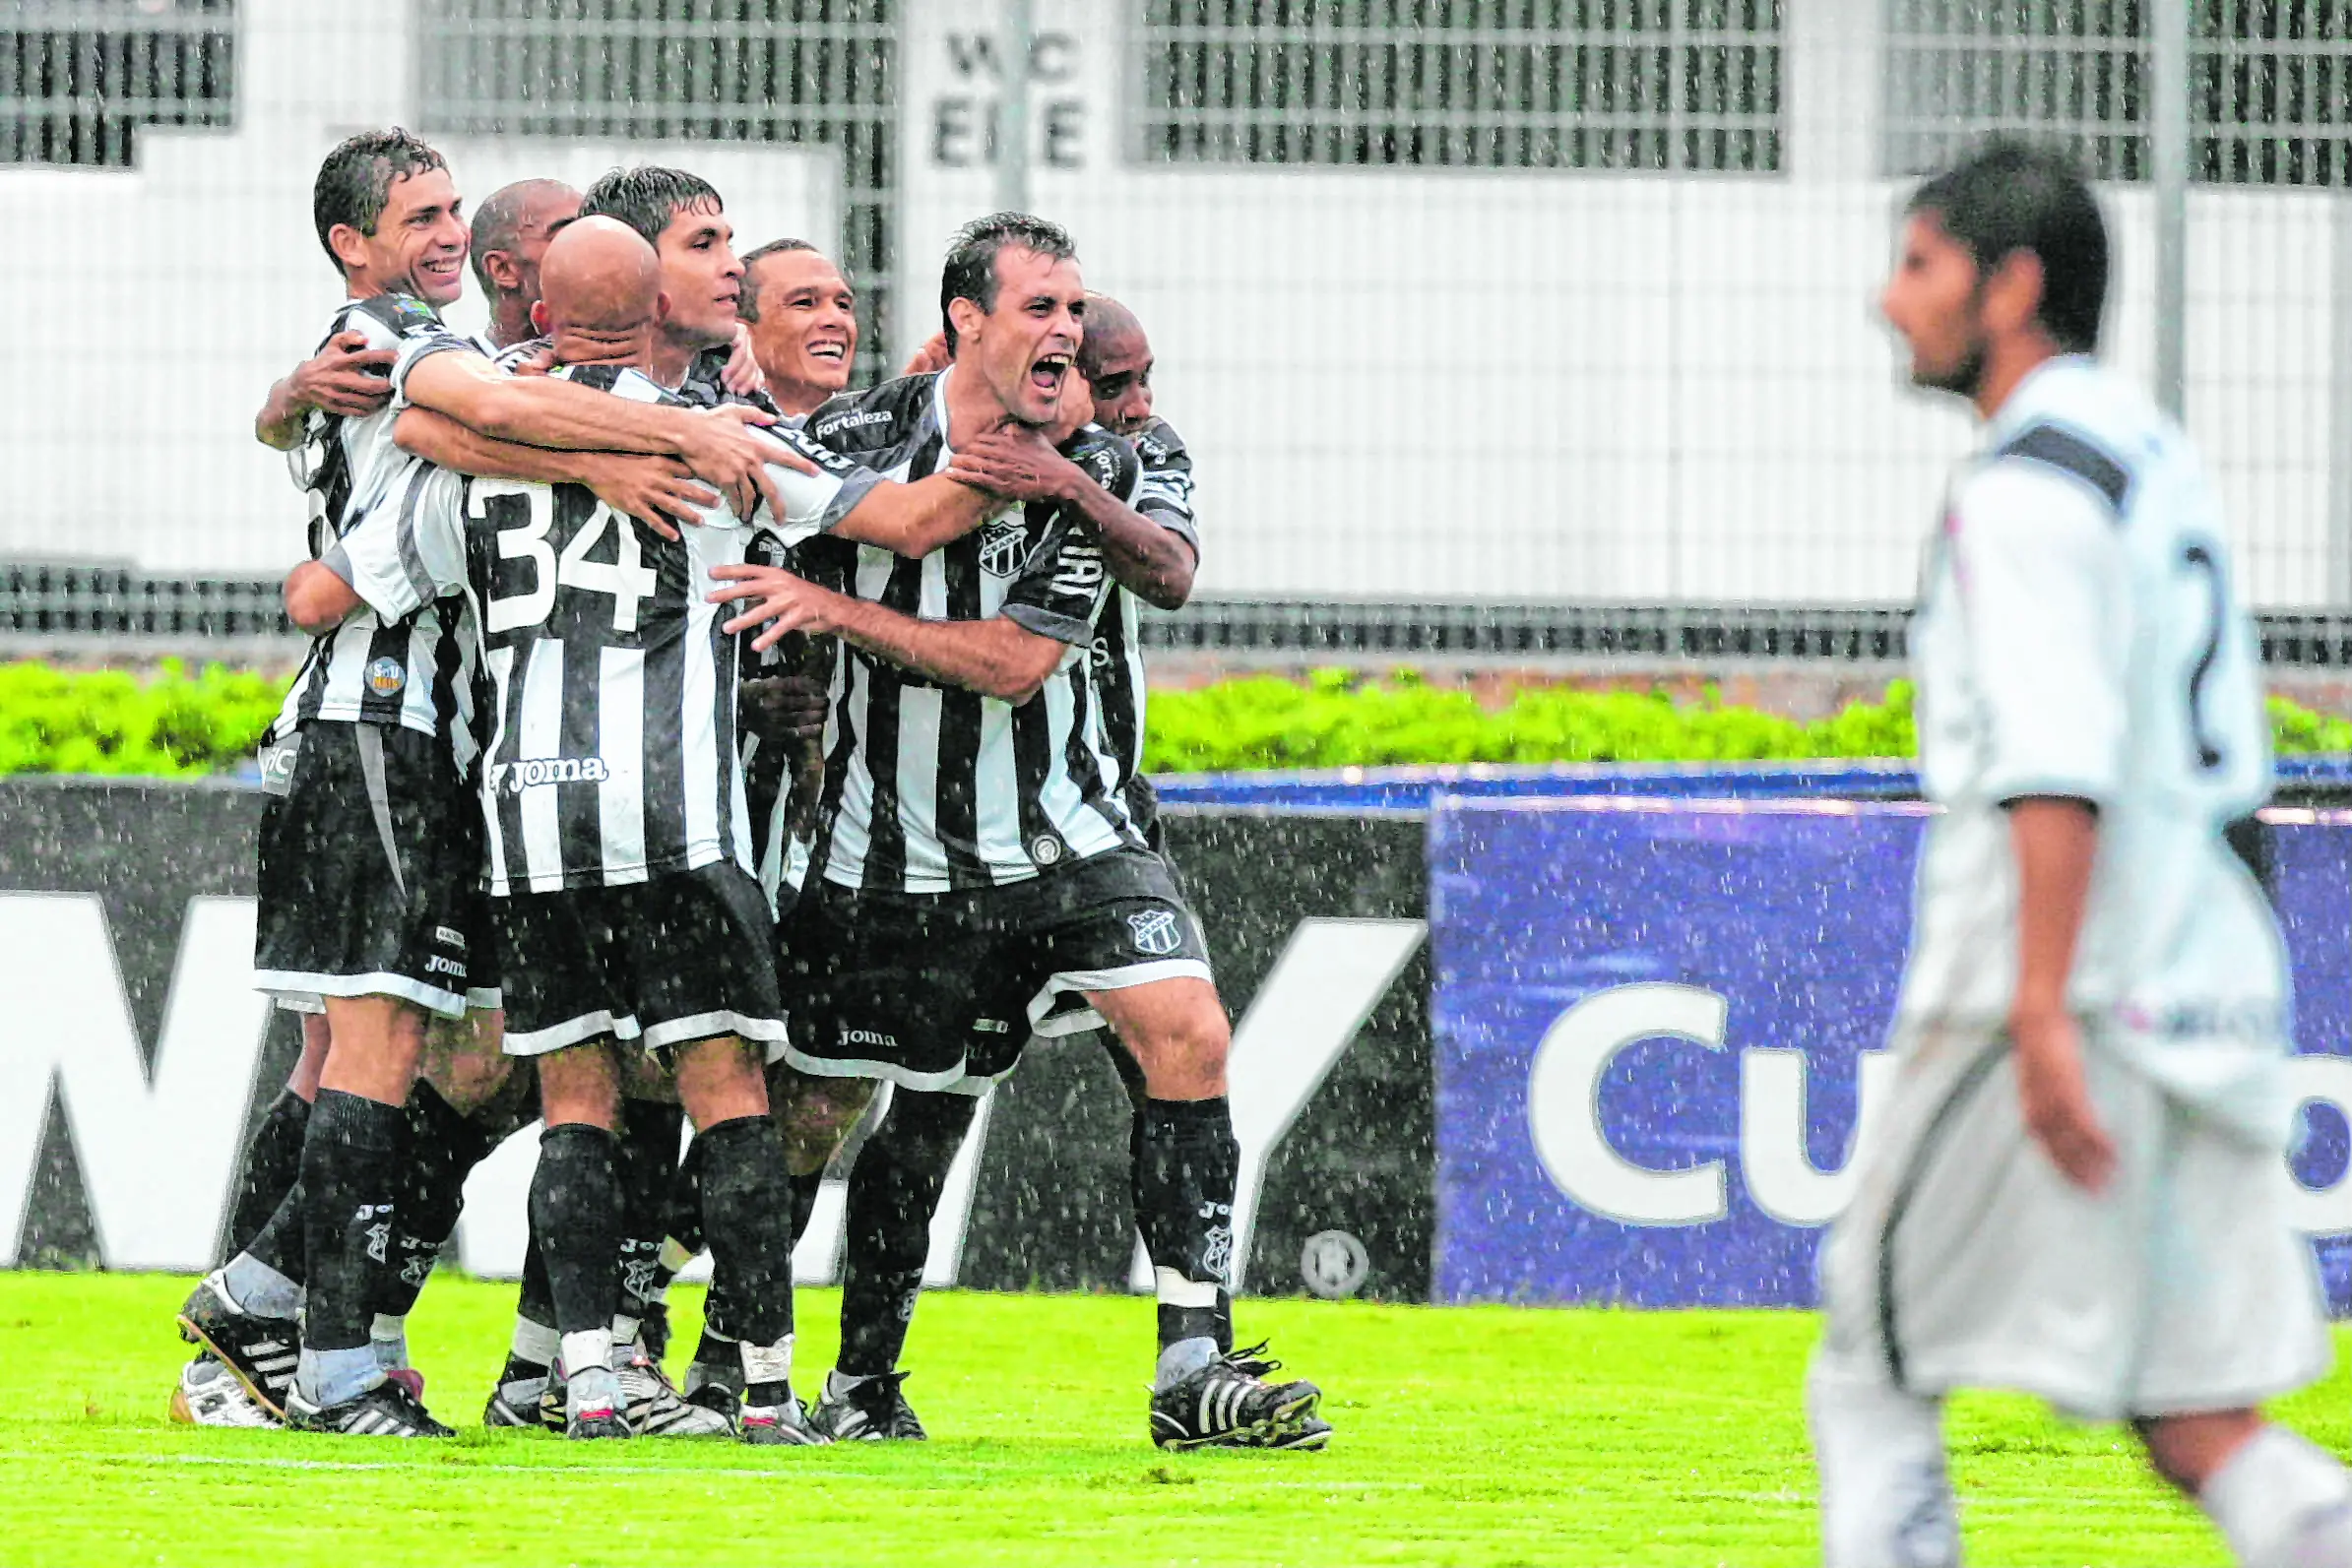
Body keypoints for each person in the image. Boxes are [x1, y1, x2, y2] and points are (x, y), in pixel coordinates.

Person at [1810, 140, 2352, 1568]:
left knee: (1869, 1359)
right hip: (2205, 962)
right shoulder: (2143, 448)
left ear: (2012, 285)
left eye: (1916, 263)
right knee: (2196, 1423)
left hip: (2044, 979)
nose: (1887, 300)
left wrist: (2041, 1008)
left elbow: (2055, 763)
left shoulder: (2022, 488)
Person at [709, 212, 1326, 1451]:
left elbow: (1010, 664)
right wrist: (774, 676)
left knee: (1187, 1031)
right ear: (965, 324)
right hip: (882, 852)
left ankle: (1191, 1361)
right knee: (831, 1118)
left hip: (1070, 830)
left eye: (1072, 311)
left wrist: (834, 610)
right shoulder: (850, 439)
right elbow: (737, 579)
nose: (1064, 336)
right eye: (1038, 310)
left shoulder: (1116, 463)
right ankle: (756, 1367)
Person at [467, 179, 581, 354]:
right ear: (502, 269)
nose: (592, 249)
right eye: (568, 236)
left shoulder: (624, 365)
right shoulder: (450, 373)